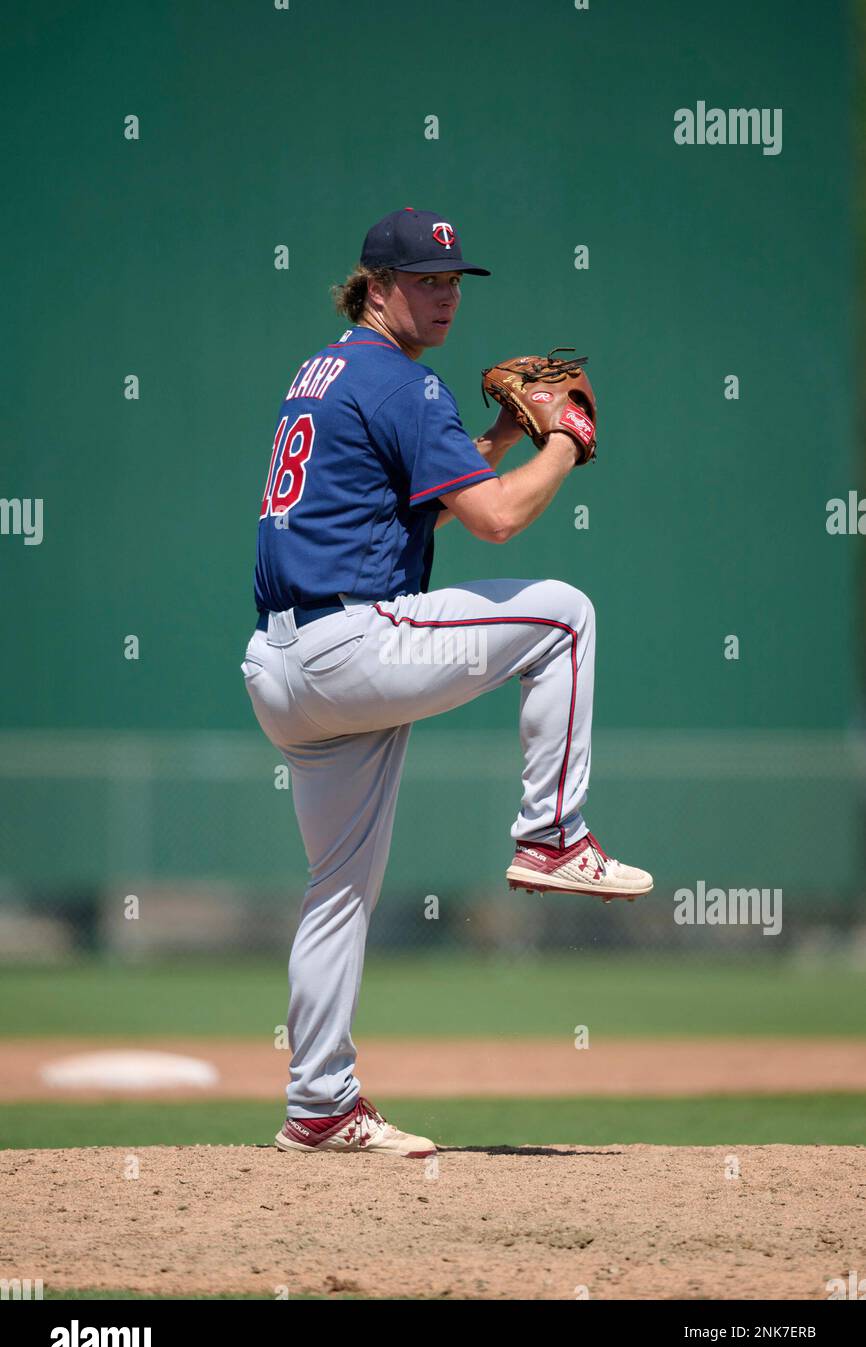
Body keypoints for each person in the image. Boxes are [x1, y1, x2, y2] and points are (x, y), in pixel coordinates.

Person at [241, 207, 653, 1160]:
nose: (446, 295)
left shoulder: (330, 370)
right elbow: (497, 523)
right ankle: (553, 836)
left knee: (338, 890)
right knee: (563, 612)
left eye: (455, 280)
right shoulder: (402, 380)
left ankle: (319, 1107)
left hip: (283, 667)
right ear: (376, 285)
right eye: (427, 279)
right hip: (352, 644)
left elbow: (426, 504)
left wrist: (503, 434)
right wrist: (566, 440)